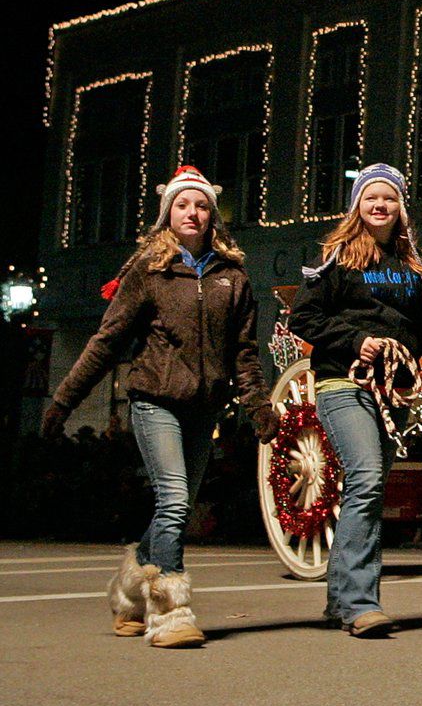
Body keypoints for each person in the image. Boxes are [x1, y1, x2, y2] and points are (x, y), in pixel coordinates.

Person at [42, 167, 271, 648]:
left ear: (212, 215)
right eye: (183, 205)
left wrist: (259, 407)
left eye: (202, 205)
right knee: (173, 500)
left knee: (179, 506)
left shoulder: (233, 276)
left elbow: (244, 352)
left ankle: (127, 592)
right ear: (169, 214)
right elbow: (107, 342)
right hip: (154, 400)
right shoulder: (149, 271)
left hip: (204, 406)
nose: (193, 213)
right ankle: (170, 612)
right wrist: (63, 401)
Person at [289, 165, 422, 636]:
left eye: (389, 198)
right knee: (367, 477)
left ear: (401, 208)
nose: (380, 205)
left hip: (394, 389)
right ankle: (359, 602)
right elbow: (303, 318)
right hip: (342, 383)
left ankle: (339, 601)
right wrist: (357, 341)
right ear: (357, 206)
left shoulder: (417, 273)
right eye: (371, 198)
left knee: (367, 488)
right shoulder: (337, 261)